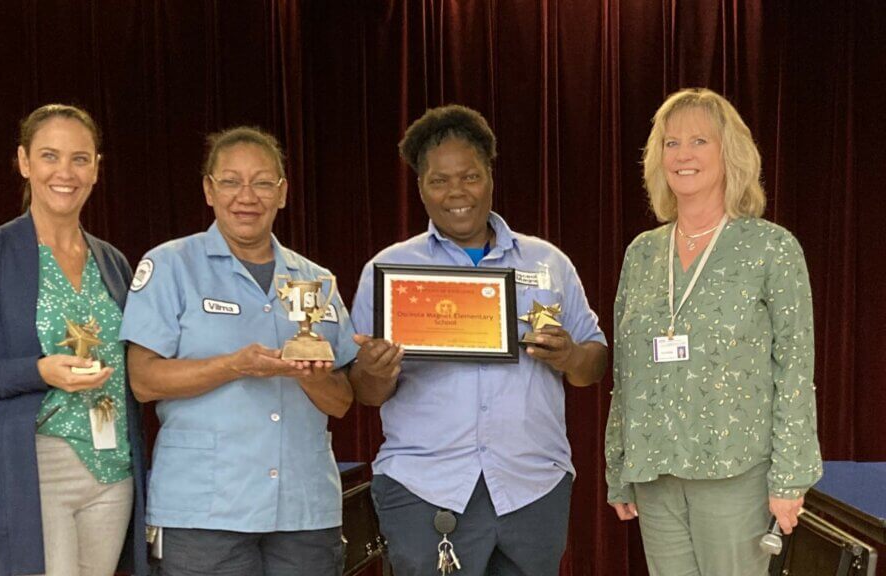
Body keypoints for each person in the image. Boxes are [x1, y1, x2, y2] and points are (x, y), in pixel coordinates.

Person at [349, 104, 608, 576]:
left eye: (468, 176)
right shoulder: (389, 272)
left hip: (533, 485)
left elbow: (594, 363)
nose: (456, 193)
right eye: (439, 180)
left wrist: (570, 355)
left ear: (490, 175)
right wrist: (373, 372)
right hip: (423, 486)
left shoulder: (548, 262)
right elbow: (364, 393)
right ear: (421, 187)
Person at [120, 126, 358, 576]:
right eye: (230, 181)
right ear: (209, 190)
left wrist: (309, 374)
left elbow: (342, 401)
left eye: (263, 182)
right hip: (205, 511)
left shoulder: (316, 279)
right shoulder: (171, 265)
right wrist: (234, 365)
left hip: (302, 509)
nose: (246, 196)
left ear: (282, 193)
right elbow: (143, 381)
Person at [604, 88, 822, 575]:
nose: (682, 155)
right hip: (655, 472)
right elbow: (627, 370)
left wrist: (790, 478)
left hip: (735, 472)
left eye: (699, 141)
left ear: (730, 154)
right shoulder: (642, 252)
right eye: (671, 143)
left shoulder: (771, 248)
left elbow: (794, 369)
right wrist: (619, 465)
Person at [0, 104, 148, 575]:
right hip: (33, 468)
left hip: (112, 469)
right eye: (50, 156)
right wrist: (38, 371)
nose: (65, 172)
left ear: (96, 169)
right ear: (24, 163)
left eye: (80, 159)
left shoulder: (114, 262)